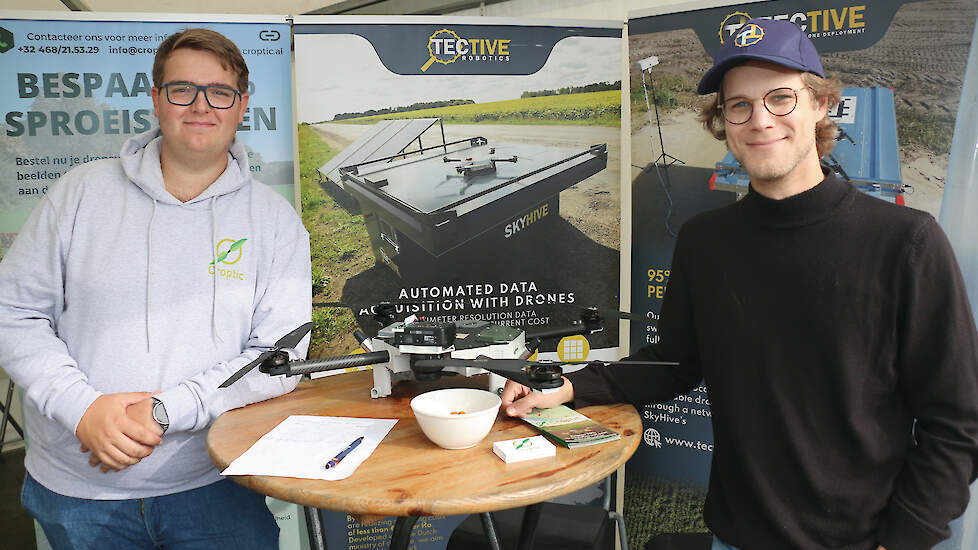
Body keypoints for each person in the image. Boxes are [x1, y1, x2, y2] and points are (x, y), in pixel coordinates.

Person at [502, 18, 978, 550]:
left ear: (821, 105)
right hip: (735, 532)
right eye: (740, 105)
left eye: (781, 98)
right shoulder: (706, 242)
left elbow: (958, 421)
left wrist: (905, 540)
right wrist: (569, 386)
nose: (760, 120)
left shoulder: (906, 243)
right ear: (724, 121)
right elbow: (677, 361)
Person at [0, 28, 311, 549]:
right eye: (182, 89)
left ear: (242, 107)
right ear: (156, 99)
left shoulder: (275, 222)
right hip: (81, 494)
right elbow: (14, 313)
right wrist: (83, 409)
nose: (201, 106)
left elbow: (278, 356)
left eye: (220, 92)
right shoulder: (79, 193)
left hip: (216, 480)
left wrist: (164, 411)